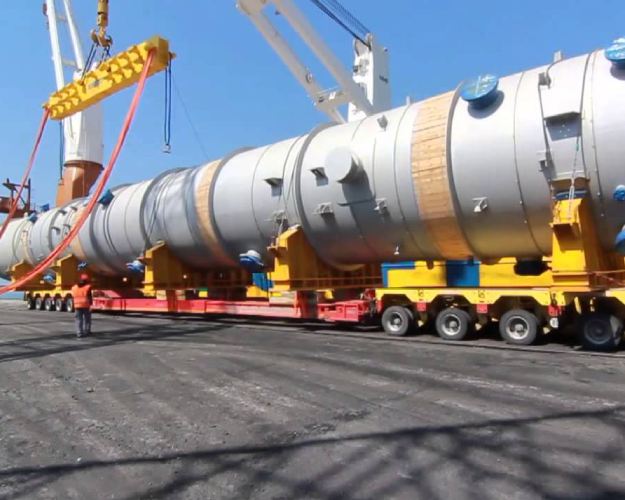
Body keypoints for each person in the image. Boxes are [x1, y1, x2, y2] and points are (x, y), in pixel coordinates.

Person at [71, 273, 93, 338]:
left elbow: (73, 296)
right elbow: (89, 297)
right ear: (86, 280)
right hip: (85, 305)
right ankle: (87, 331)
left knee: (78, 320)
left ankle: (79, 333)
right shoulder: (88, 287)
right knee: (87, 319)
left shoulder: (73, 288)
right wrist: (91, 305)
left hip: (77, 305)